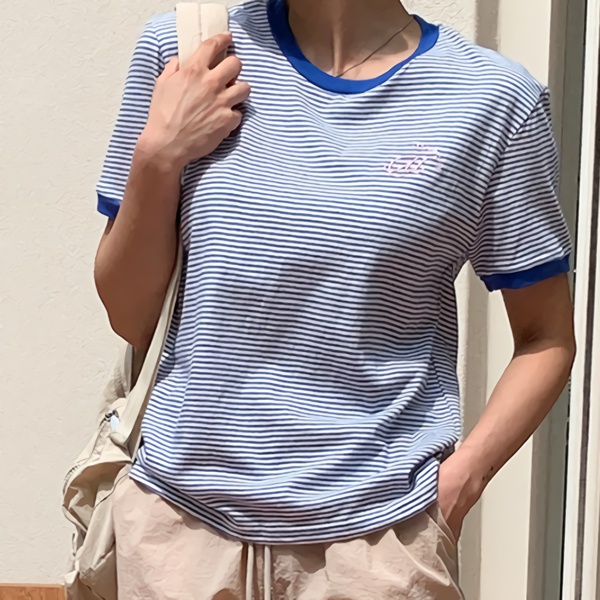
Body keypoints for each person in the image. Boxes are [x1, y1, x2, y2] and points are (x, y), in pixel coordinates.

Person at [94, 0, 576, 598]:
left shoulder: (492, 99)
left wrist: (459, 484)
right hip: (177, 534)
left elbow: (546, 336)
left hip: (378, 544)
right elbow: (129, 314)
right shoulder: (189, 52)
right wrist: (158, 154)